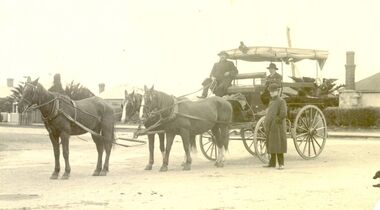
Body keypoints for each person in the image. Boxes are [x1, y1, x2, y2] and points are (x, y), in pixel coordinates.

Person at [263, 83, 287, 170]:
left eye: (273, 91)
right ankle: (272, 163)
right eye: (270, 91)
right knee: (271, 144)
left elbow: (283, 113)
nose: (271, 93)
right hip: (271, 126)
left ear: (277, 91)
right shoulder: (272, 101)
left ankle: (281, 164)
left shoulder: (281, 101)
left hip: (278, 126)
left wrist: (277, 120)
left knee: (279, 144)